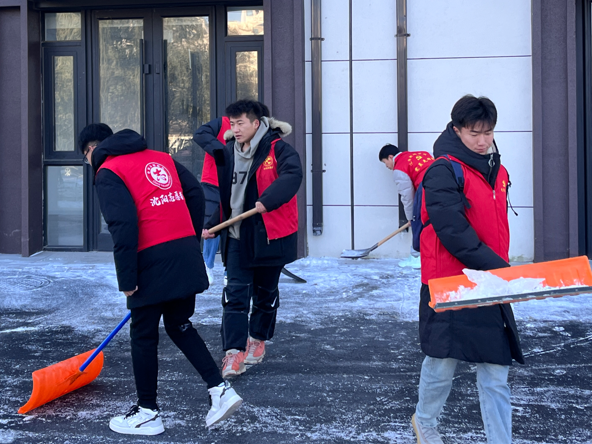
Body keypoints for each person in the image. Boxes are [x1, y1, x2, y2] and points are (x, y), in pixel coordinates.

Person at [78, 123, 242, 435]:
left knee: (143, 334)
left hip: (150, 259)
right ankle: (220, 390)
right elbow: (195, 193)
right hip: (183, 254)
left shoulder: (108, 171)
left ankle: (148, 412)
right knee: (179, 324)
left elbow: (122, 225)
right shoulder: (161, 158)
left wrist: (127, 278)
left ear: (92, 150)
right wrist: (187, 237)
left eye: (86, 157)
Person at [411, 95, 524, 444]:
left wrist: (498, 270)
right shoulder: (442, 170)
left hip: (489, 280)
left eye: (488, 132)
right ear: (457, 129)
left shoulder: (498, 170)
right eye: (474, 133)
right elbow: (453, 232)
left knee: (496, 369)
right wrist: (500, 269)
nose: (482, 140)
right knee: (443, 362)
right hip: (449, 282)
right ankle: (425, 422)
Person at [194, 100, 302, 378]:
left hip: (269, 235)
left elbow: (293, 175)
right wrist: (212, 224)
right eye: (232, 124)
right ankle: (233, 352)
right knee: (234, 295)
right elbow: (224, 193)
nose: (235, 129)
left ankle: (258, 338)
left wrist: (268, 199)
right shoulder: (229, 151)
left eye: (240, 123)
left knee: (265, 294)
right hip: (237, 236)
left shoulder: (278, 149)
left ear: (257, 123)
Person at [379, 144, 434, 265]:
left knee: (419, 222)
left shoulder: (399, 169)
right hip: (447, 184)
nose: (387, 166)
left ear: (390, 157)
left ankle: (416, 258)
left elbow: (407, 197)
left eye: (385, 162)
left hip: (427, 187)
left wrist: (411, 217)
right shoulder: (423, 154)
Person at [199, 116, 231, 285]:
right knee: (211, 224)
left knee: (233, 225)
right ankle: (207, 264)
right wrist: (220, 151)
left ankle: (229, 269)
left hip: (235, 181)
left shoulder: (251, 126)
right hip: (212, 180)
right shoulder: (221, 123)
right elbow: (200, 134)